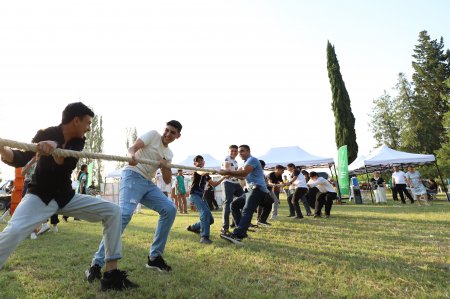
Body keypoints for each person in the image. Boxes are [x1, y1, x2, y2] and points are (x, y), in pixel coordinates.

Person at [0, 102, 138, 291]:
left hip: (66, 197)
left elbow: (66, 165)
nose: (89, 128)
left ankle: (111, 276)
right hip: (39, 196)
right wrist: (2, 149)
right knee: (14, 231)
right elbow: (21, 157)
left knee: (113, 211)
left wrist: (55, 147)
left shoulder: (78, 142)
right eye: (88, 123)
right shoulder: (45, 133)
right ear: (76, 120)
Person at [88, 120, 181, 278]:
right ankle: (96, 264)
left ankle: (154, 257)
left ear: (178, 136)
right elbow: (132, 148)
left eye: (173, 132)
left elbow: (166, 180)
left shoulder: (169, 154)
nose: (168, 134)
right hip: (132, 175)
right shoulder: (153, 135)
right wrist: (131, 156)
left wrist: (165, 165)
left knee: (170, 209)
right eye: (167, 130)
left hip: (148, 183)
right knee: (124, 215)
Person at [219, 145, 269, 244]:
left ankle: (238, 235)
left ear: (248, 151)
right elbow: (241, 176)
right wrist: (228, 173)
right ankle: (241, 229)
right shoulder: (245, 163)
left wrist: (228, 172)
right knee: (234, 205)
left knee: (247, 210)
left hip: (258, 190)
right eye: (239, 151)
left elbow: (243, 173)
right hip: (251, 190)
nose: (240, 153)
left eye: (242, 151)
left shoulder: (252, 160)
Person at [186, 155, 225, 244]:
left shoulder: (206, 174)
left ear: (204, 162)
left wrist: (224, 177)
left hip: (201, 197)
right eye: (197, 161)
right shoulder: (197, 170)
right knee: (205, 213)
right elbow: (201, 172)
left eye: (201, 160)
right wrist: (212, 171)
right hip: (194, 195)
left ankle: (193, 227)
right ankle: (204, 237)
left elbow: (214, 184)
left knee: (210, 220)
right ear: (195, 163)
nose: (199, 162)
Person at [221, 145, 244, 234]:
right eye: (232, 151)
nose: (234, 152)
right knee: (228, 203)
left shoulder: (235, 161)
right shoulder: (226, 158)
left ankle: (239, 223)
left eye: (235, 151)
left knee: (244, 200)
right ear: (228, 151)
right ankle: (225, 227)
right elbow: (227, 171)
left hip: (235, 183)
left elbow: (234, 173)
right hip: (228, 183)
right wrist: (239, 175)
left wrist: (240, 174)